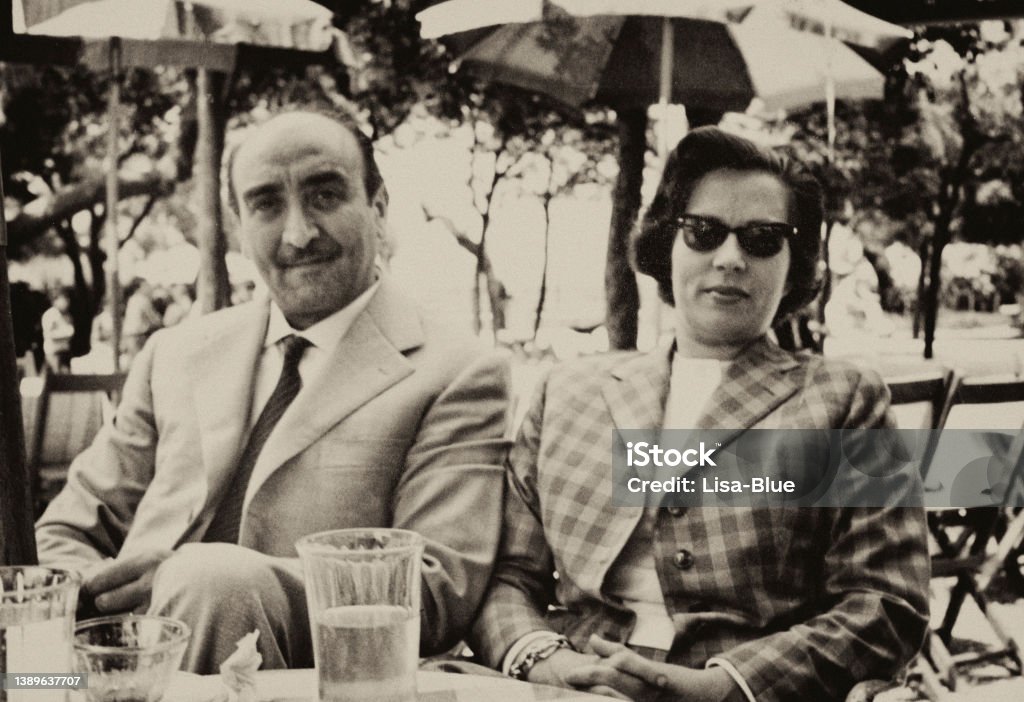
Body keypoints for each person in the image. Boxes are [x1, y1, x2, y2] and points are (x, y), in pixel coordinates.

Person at [36, 106, 511, 674]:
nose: (298, 233)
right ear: (238, 225)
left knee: (210, 581)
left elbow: (437, 590)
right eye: (266, 204)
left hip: (313, 676)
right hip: (124, 668)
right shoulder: (177, 353)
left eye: (325, 196)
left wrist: (201, 580)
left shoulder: (459, 372)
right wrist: (102, 597)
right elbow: (66, 529)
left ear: (379, 209)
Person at [470, 128, 929, 701]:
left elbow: (885, 602)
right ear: (668, 244)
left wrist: (725, 686)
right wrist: (550, 664)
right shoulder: (566, 391)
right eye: (704, 231)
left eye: (763, 239)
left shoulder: (845, 399)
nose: (730, 258)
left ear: (796, 262)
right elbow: (507, 577)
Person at [41, 287, 75, 373]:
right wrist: (66, 333)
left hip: (65, 353)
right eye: (64, 299)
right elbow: (49, 334)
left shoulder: (67, 316)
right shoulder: (50, 315)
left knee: (67, 381)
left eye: (68, 299)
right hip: (54, 354)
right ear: (55, 300)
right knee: (57, 381)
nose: (67, 302)